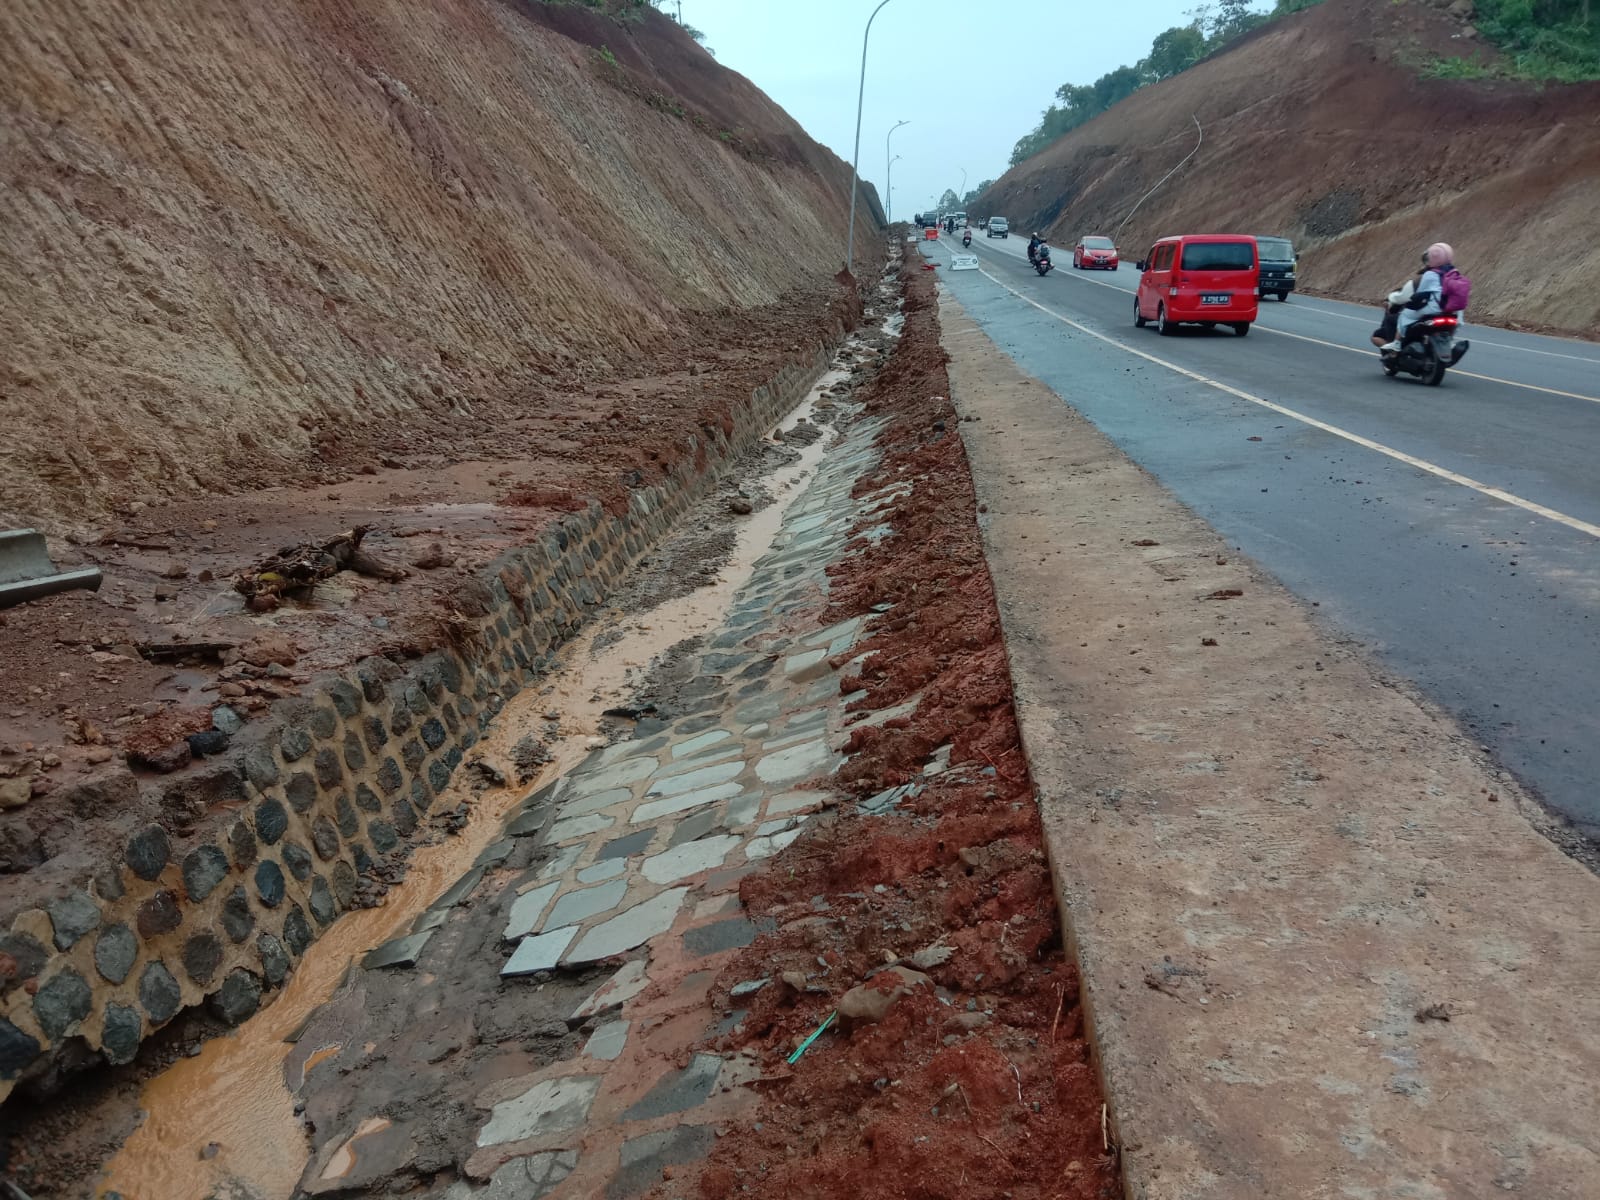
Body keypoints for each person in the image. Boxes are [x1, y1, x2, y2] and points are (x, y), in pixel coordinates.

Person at [1380, 242, 1455, 352]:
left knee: (1405, 316)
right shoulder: (1453, 273)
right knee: (1455, 320)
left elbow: (1413, 295)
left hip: (1433, 308)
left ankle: (1396, 343)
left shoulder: (1427, 275)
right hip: (1452, 309)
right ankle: (1451, 340)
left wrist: (1394, 298)